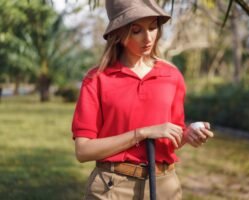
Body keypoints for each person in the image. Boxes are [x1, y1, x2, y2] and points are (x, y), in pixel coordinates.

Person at [71, 0, 214, 199]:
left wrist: (187, 135)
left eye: (153, 27)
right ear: (119, 34)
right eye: (136, 30)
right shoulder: (96, 79)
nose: (148, 38)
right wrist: (142, 133)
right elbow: (83, 150)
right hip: (112, 188)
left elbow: (169, 139)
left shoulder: (171, 76)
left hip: (165, 186)